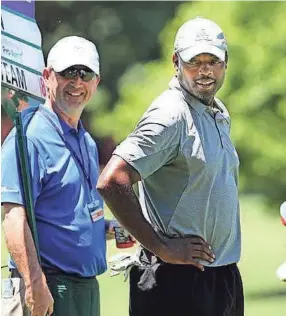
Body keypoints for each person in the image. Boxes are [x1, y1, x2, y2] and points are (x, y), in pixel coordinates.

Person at [97, 17, 244, 316]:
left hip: (220, 276)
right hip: (177, 281)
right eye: (194, 61)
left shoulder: (215, 110)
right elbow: (112, 180)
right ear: (176, 61)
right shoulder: (170, 115)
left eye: (213, 60)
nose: (205, 70)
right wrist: (160, 246)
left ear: (225, 62)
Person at [2, 36, 112, 316]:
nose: (77, 82)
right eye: (67, 73)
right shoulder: (28, 138)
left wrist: (107, 229)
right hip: (50, 287)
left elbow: (71, 213)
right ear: (48, 77)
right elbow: (13, 216)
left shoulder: (85, 141)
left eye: (85, 74)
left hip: (87, 289)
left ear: (96, 82)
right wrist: (34, 282)